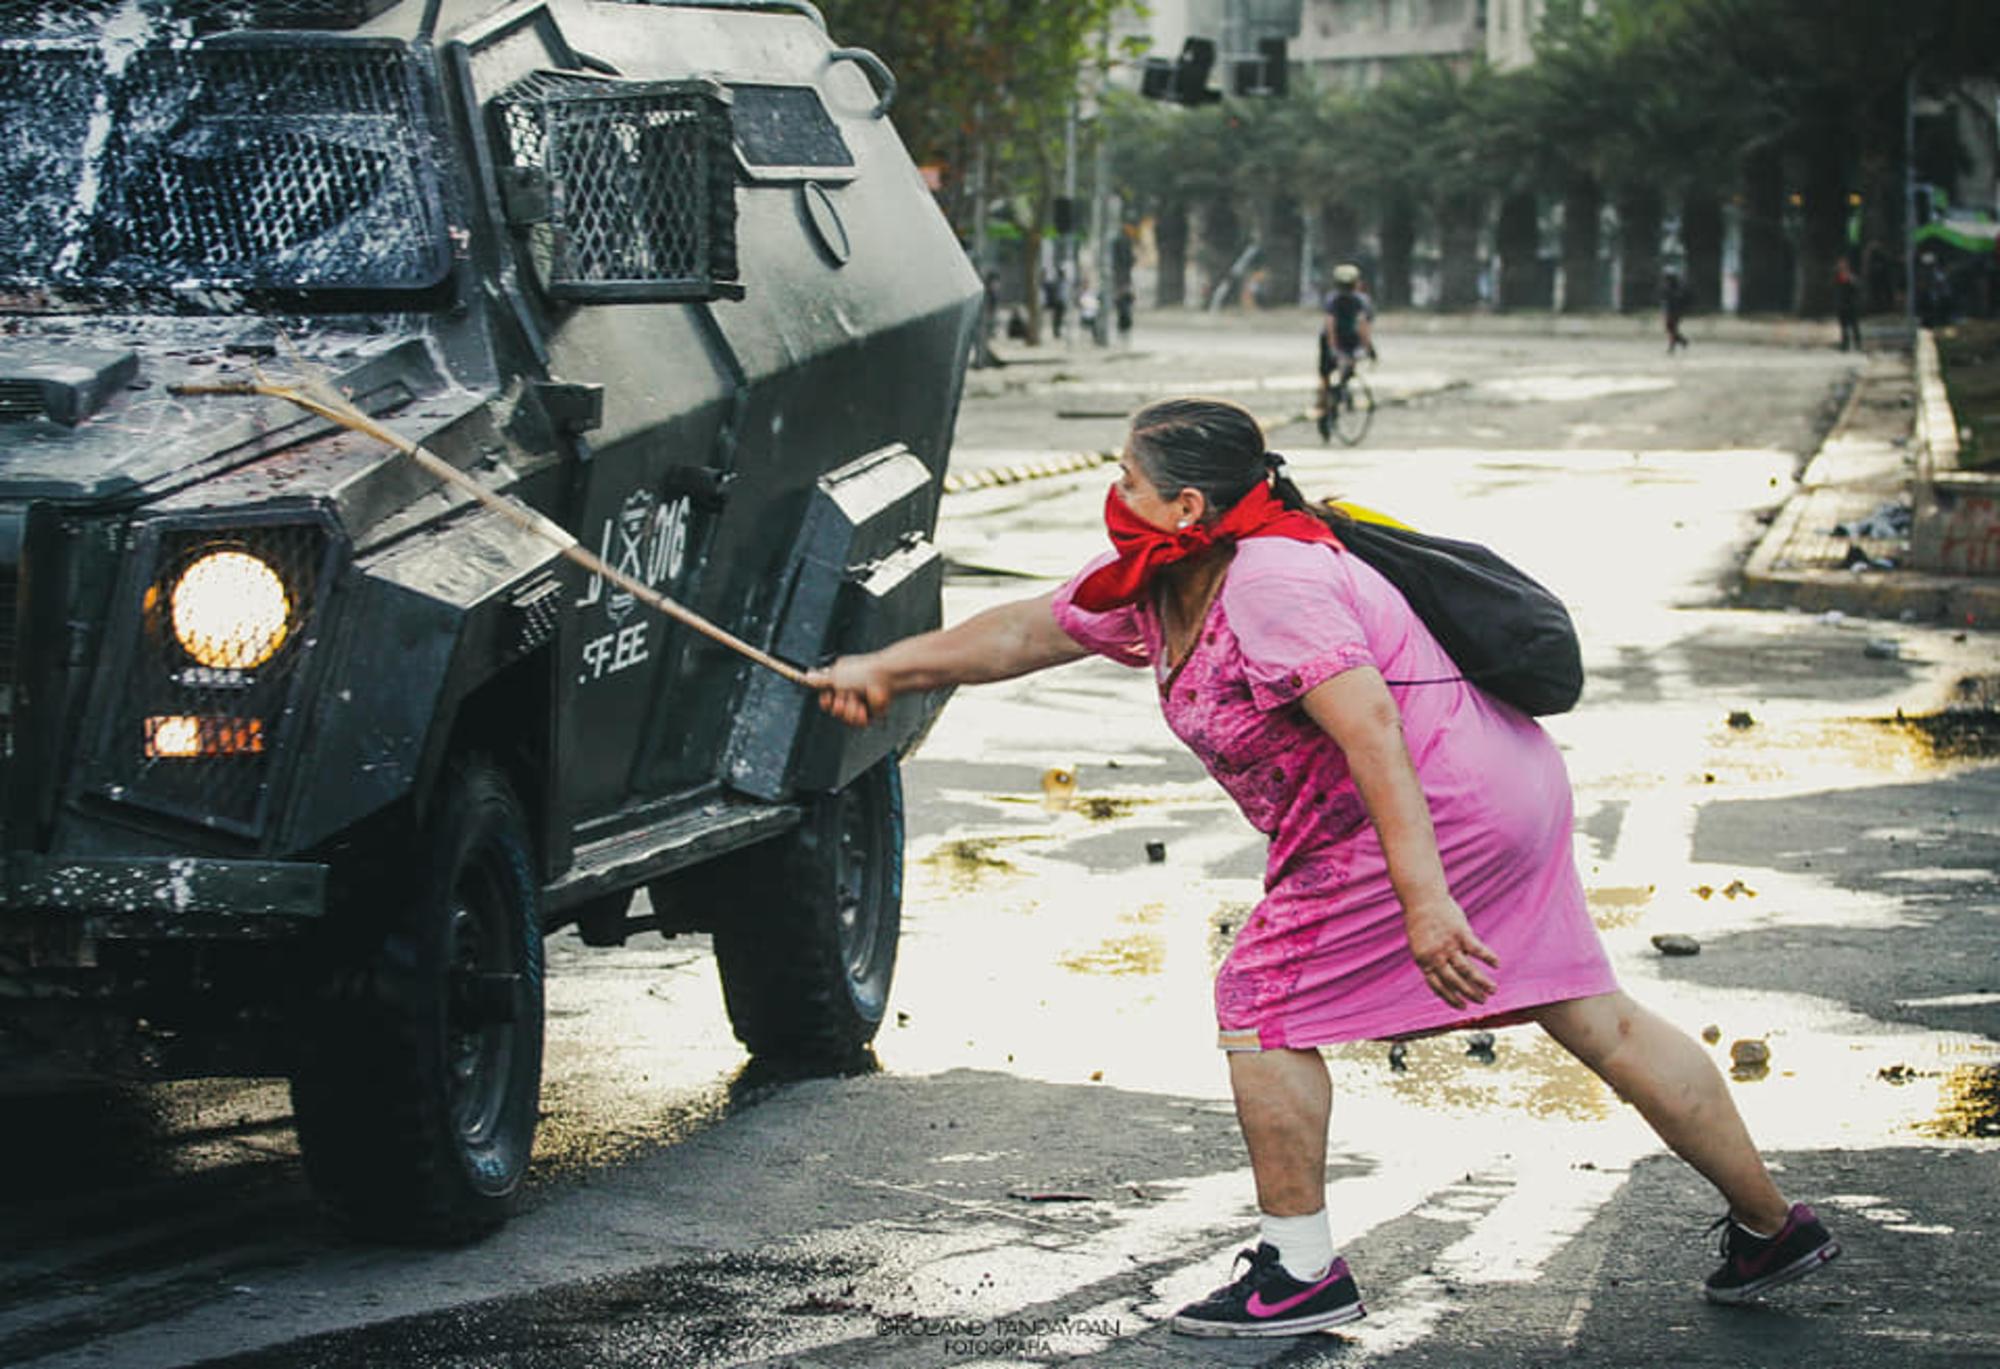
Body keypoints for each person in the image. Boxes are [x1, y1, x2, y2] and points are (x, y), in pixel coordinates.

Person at [807, 397, 1840, 1338]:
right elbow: (1026, 630)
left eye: (1126, 478)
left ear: (1186, 502)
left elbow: (1373, 729)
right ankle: (1768, 1226)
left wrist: (1423, 902)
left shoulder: (1272, 579)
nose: (1112, 495)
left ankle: (1299, 1269)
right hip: (1499, 788)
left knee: (1259, 999)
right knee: (1588, 1011)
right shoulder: (1169, 571)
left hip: (1431, 808)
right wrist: (882, 672)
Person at [1317, 263, 1375, 439]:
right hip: (1349, 344)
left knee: (1325, 378)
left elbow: (1329, 325)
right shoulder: (1362, 300)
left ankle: (1325, 407)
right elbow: (1363, 326)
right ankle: (1336, 397)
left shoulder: (1331, 299)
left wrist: (1333, 347)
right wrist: (1369, 348)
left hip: (1330, 343)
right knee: (1345, 373)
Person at [1835, 257, 1863, 352]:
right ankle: (1845, 345)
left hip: (1851, 306)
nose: (1841, 267)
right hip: (1842, 306)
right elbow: (1836, 291)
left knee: (1854, 326)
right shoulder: (1837, 278)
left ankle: (1858, 344)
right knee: (1844, 327)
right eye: (1840, 265)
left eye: (1843, 265)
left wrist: (1850, 280)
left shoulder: (1852, 278)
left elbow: (1857, 289)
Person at [1662, 269, 1690, 353]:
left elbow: (1678, 298)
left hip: (1675, 311)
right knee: (1670, 329)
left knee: (1672, 329)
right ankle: (1683, 341)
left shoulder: (1676, 287)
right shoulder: (1669, 286)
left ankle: (1672, 347)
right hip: (1671, 310)